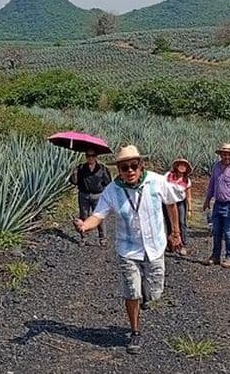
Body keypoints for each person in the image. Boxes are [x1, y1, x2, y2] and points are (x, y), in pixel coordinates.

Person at [74, 145, 182, 354]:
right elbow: (99, 215)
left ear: (141, 166)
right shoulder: (113, 191)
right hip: (128, 249)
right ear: (119, 170)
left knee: (155, 292)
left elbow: (171, 203)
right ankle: (135, 332)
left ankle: (146, 296)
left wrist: (175, 233)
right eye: (125, 167)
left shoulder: (156, 182)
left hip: (155, 246)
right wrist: (85, 226)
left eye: (134, 166)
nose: (130, 170)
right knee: (131, 291)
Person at [203, 143, 230, 268]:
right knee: (216, 231)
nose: (226, 156)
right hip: (217, 204)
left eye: (229, 154)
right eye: (224, 153)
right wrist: (207, 200)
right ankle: (215, 256)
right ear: (220, 154)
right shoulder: (216, 166)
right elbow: (212, 184)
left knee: (228, 232)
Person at [68, 148, 112, 247]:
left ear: (96, 156)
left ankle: (102, 239)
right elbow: (74, 182)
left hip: (98, 195)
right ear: (86, 156)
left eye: (92, 155)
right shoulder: (80, 168)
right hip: (84, 195)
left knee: (99, 217)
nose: (90, 157)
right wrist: (73, 173)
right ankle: (84, 238)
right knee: (83, 216)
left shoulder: (102, 168)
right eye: (88, 155)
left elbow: (108, 182)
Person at [164, 158, 192, 256]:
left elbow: (188, 196)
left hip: (180, 202)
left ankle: (183, 244)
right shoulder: (168, 176)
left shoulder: (187, 180)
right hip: (168, 202)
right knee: (169, 222)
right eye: (180, 164)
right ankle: (171, 244)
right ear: (176, 166)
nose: (182, 167)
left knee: (182, 222)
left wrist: (189, 209)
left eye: (184, 165)